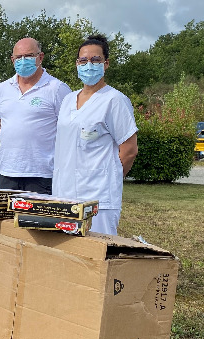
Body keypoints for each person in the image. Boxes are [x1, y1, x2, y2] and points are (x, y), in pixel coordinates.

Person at [52, 35, 138, 236]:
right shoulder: (68, 100)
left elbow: (129, 150)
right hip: (63, 192)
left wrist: (109, 178)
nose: (88, 65)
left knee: (97, 249)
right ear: (77, 64)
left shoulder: (114, 100)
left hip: (98, 197)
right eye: (83, 60)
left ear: (106, 64)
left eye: (95, 60)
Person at [0, 37, 71, 194]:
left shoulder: (57, 89)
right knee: (6, 212)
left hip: (42, 174)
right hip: (8, 172)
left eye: (28, 56)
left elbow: (68, 131)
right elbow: (0, 124)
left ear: (40, 57)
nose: (23, 61)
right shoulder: (2, 89)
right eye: (18, 57)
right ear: (12, 60)